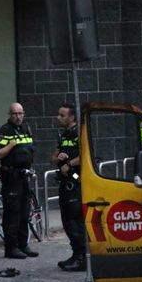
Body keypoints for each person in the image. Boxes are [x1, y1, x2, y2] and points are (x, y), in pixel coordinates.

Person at [0, 102, 38, 259]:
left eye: (21, 113)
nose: (18, 116)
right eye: (15, 114)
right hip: (11, 177)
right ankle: (11, 248)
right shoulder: (4, 131)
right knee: (12, 213)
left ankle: (23, 245)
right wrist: (11, 145)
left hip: (24, 176)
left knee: (24, 212)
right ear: (10, 115)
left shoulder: (26, 129)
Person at [51, 104, 86, 272]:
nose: (59, 118)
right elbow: (53, 158)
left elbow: (86, 154)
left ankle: (82, 257)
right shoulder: (63, 134)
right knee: (67, 220)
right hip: (65, 183)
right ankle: (76, 254)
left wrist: (69, 163)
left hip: (76, 182)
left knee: (75, 220)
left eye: (62, 115)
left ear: (72, 117)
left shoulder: (79, 133)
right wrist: (59, 158)